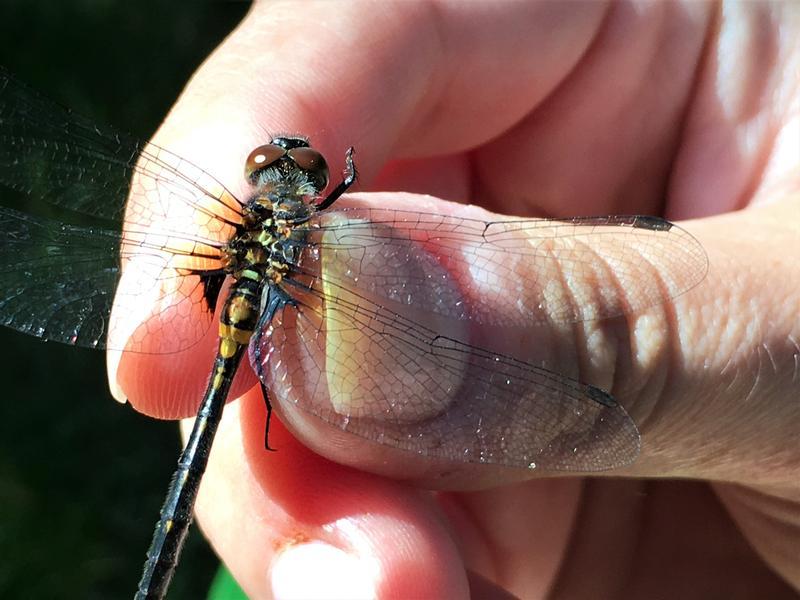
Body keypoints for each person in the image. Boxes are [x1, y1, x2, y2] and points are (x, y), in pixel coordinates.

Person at [113, 2, 800, 598]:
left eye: (304, 172)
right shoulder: (311, 229)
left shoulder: (271, 227)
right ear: (259, 185)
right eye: (275, 169)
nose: (290, 173)